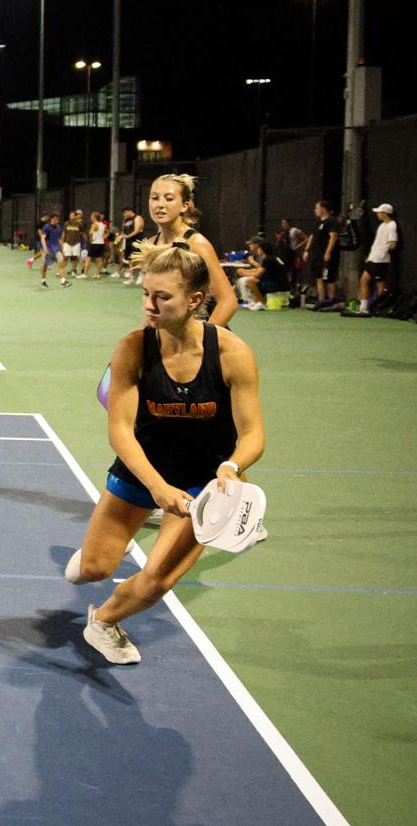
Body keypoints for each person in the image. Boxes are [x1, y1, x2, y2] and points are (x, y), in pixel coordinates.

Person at [65, 244, 264, 665]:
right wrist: (157, 488)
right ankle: (94, 557)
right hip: (142, 474)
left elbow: (252, 435)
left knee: (158, 580)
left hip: (203, 485)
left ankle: (103, 622)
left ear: (194, 300)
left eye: (162, 297)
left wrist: (231, 467)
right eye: (145, 294)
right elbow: (121, 431)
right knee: (96, 568)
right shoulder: (132, 348)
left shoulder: (233, 355)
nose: (149, 306)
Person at [144, 174, 238, 326]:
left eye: (169, 198)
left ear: (184, 205)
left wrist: (204, 337)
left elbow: (228, 301)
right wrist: (142, 334)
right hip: (169, 332)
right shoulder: (150, 245)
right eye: (154, 198)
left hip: (199, 330)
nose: (160, 205)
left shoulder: (196, 244)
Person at [350, 203, 398, 317]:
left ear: (385, 213)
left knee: (380, 286)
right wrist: (370, 256)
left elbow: (393, 244)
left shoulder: (392, 225)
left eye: (379, 212)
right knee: (363, 281)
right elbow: (377, 243)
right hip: (373, 259)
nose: (377, 214)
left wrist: (382, 252)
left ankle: (379, 309)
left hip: (381, 261)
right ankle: (364, 308)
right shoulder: (381, 226)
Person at [305, 200, 343, 311]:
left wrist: (328, 252)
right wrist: (307, 250)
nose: (315, 210)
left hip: (327, 255)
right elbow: (312, 236)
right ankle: (321, 301)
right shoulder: (317, 222)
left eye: (317, 208)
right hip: (316, 254)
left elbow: (333, 237)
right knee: (319, 277)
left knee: (330, 278)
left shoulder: (332, 221)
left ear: (323, 209)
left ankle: (331, 302)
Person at [233, 235, 288, 310]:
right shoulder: (271, 258)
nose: (258, 250)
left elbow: (257, 273)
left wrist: (243, 273)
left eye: (259, 248)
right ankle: (256, 302)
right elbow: (259, 269)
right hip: (278, 284)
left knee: (251, 280)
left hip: (279, 286)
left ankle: (261, 303)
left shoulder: (268, 259)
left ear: (262, 249)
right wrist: (245, 271)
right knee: (253, 279)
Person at [37, 213, 64, 288]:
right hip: (48, 248)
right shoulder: (47, 227)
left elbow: (59, 239)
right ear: (51, 219)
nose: (57, 221)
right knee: (45, 265)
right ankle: (43, 281)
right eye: (55, 219)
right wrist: (45, 249)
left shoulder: (59, 227)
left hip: (57, 249)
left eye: (58, 219)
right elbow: (43, 238)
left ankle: (63, 281)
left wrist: (62, 248)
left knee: (61, 264)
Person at [61, 209, 86, 278]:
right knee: (65, 257)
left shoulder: (79, 224)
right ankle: (61, 271)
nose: (72, 217)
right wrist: (62, 242)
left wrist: (86, 242)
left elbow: (83, 233)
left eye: (73, 215)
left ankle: (83, 271)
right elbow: (63, 233)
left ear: (75, 216)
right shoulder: (66, 223)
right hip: (67, 243)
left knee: (77, 256)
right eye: (71, 215)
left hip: (76, 243)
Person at [86, 211, 110, 277]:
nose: (91, 218)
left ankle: (84, 274)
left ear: (95, 217)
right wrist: (103, 237)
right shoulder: (102, 224)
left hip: (95, 243)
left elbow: (90, 232)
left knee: (88, 258)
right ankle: (98, 274)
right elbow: (108, 232)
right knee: (99, 259)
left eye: (92, 216)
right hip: (101, 243)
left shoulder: (94, 224)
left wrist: (91, 238)